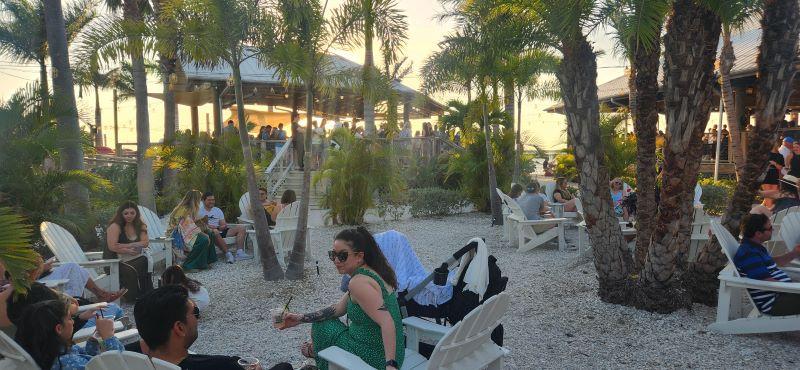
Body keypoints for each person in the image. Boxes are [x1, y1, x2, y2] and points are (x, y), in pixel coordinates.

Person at [279, 227, 404, 370]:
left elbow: (387, 321)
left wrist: (390, 364)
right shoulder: (373, 272)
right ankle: (316, 351)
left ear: (359, 256)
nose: (336, 260)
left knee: (321, 327)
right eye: (333, 254)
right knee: (324, 321)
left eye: (342, 256)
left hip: (376, 357)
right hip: (394, 351)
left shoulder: (359, 283)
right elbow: (338, 309)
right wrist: (299, 318)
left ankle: (317, 354)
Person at [135, 286, 293, 370]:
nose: (197, 318)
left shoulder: (131, 359)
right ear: (179, 328)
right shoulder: (224, 366)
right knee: (285, 367)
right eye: (195, 313)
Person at [15, 299, 124, 370]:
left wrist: (92, 341)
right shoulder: (69, 363)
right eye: (70, 318)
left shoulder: (48, 351)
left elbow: (85, 357)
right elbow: (121, 365)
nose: (73, 322)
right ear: (59, 329)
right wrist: (109, 337)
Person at [733, 213, 800, 316]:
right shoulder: (749, 253)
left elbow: (773, 263)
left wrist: (794, 253)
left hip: (782, 294)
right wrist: (795, 288)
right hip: (774, 302)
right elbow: (766, 281)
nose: (772, 230)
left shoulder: (755, 248)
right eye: (770, 228)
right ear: (758, 233)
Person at [105, 201, 154, 302]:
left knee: (144, 260)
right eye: (126, 213)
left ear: (136, 213)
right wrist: (128, 250)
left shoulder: (140, 224)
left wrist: (127, 245)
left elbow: (145, 243)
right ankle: (137, 294)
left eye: (132, 213)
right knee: (143, 261)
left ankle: (145, 293)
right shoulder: (115, 226)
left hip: (134, 257)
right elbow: (112, 247)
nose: (129, 216)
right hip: (115, 261)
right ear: (121, 214)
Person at [33, 255, 126, 302]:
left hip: (41, 276)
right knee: (74, 269)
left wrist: (43, 267)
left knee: (72, 266)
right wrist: (42, 268)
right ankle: (78, 302)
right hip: (35, 281)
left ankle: (100, 295)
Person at [169, 190, 217, 271]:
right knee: (204, 239)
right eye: (199, 199)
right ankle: (189, 265)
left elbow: (192, 224)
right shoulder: (182, 210)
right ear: (194, 199)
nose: (200, 201)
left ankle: (205, 262)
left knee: (210, 233)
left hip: (186, 232)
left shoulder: (190, 209)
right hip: (178, 235)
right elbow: (185, 227)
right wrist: (203, 234)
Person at [199, 192, 250, 263]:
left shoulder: (217, 210)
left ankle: (239, 253)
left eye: (213, 200)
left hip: (220, 231)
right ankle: (228, 254)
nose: (212, 202)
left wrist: (222, 226)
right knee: (215, 231)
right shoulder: (199, 212)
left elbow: (223, 224)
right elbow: (200, 225)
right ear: (203, 201)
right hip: (209, 233)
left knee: (241, 228)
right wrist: (210, 227)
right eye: (209, 200)